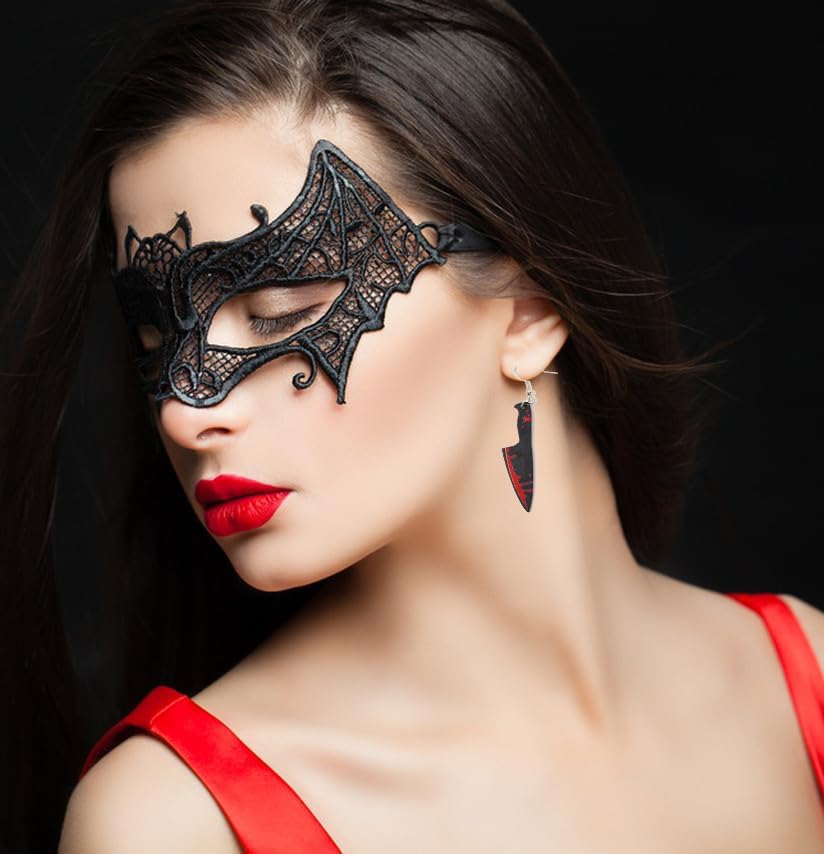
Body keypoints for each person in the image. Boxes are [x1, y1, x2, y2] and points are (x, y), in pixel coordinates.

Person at [2, 1, 822, 851]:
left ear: (528, 310)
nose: (183, 410)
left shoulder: (807, 682)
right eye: (154, 341)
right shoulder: (170, 823)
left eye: (281, 310)